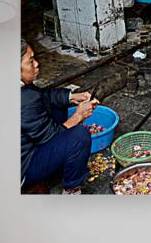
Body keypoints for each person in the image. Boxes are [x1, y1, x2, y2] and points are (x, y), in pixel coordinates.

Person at [20, 39, 96, 195]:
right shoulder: (23, 99)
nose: (36, 64)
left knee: (57, 105)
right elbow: (51, 137)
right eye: (30, 61)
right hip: (22, 168)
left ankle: (60, 163)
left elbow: (42, 97)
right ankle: (71, 190)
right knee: (79, 137)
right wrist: (78, 116)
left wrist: (71, 97)